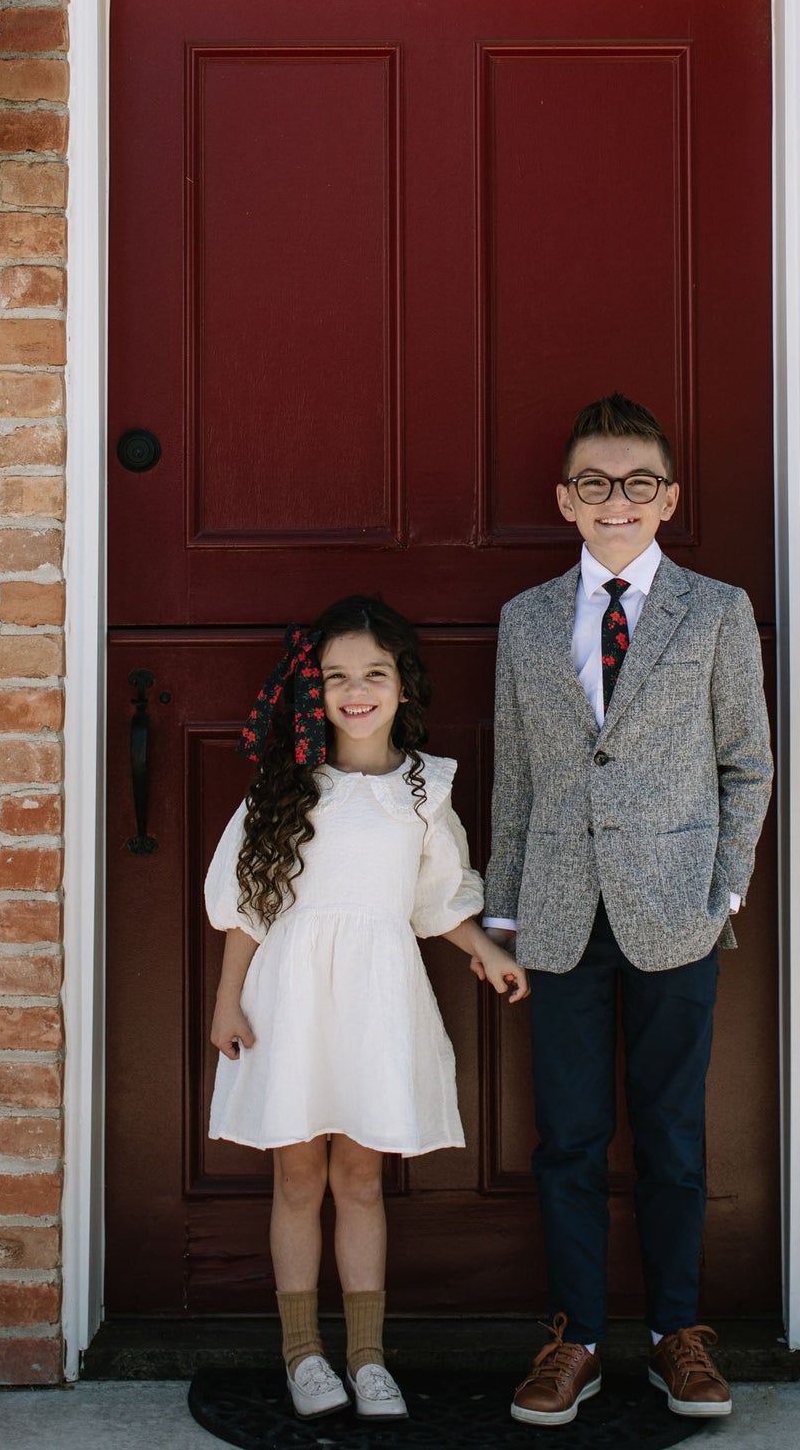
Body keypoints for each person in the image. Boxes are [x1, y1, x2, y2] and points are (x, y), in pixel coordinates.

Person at [485, 393, 773, 1428]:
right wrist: (504, 912)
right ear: (565, 499)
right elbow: (514, 780)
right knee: (565, 1135)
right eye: (596, 484)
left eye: (637, 483)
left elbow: (747, 761)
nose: (617, 500)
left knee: (669, 1131)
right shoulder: (524, 619)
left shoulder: (714, 609)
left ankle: (676, 1334)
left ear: (669, 498)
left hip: (673, 907)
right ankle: (575, 1337)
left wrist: (721, 889)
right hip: (560, 911)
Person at [206, 594, 529, 1422]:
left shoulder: (425, 788)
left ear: (401, 687)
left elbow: (437, 900)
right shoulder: (284, 790)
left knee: (359, 1178)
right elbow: (247, 906)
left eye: (373, 675)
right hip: (289, 1001)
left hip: (379, 1000)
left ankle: (366, 1355)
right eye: (336, 677)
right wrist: (225, 1004)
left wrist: (485, 951)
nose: (356, 691)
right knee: (296, 1175)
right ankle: (302, 1352)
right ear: (311, 690)